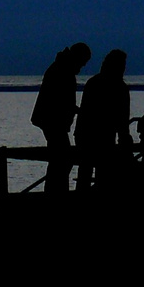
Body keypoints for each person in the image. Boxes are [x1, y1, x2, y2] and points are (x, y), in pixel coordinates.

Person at [31, 42, 90, 195]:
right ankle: (56, 194)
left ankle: (55, 192)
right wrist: (78, 110)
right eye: (82, 63)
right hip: (52, 121)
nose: (82, 67)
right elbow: (60, 101)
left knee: (60, 160)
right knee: (62, 159)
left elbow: (63, 101)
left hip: (52, 120)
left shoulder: (61, 68)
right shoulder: (62, 70)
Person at [75, 49, 132, 191]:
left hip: (88, 136)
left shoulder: (93, 83)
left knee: (86, 174)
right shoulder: (120, 88)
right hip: (101, 138)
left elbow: (85, 113)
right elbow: (123, 119)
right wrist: (124, 139)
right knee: (101, 175)